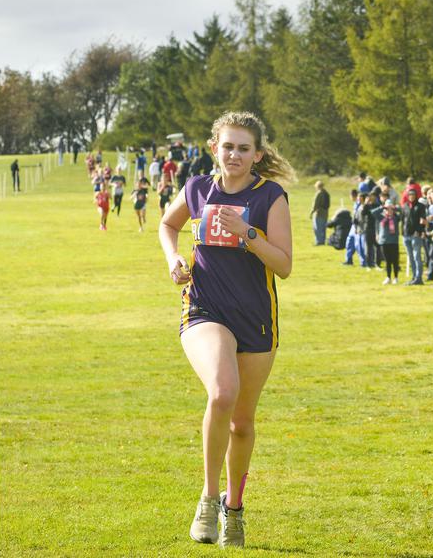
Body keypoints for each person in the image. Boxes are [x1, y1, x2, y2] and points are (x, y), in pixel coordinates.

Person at [158, 111, 293, 549]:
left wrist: (248, 233)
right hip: (204, 309)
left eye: (244, 148)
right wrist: (174, 260)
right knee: (221, 392)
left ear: (257, 154)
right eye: (227, 145)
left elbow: (284, 265)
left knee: (241, 422)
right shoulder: (197, 187)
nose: (234, 154)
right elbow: (167, 224)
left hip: (255, 318)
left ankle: (234, 510)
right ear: (213, 146)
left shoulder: (270, 196)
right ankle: (207, 499)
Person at [372, 201, 402, 284]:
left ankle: (396, 277)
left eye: (390, 209)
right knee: (387, 261)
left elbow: (403, 212)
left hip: (394, 242)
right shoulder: (381, 218)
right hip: (384, 242)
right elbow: (373, 212)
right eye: (387, 209)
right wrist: (382, 207)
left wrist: (395, 207)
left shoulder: (396, 218)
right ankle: (388, 277)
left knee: (395, 260)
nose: (389, 211)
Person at [402, 188, 428, 285]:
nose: (411, 196)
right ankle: (414, 277)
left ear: (416, 195)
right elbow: (403, 219)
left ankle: (418, 278)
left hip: (416, 235)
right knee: (411, 257)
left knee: (417, 256)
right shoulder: (405, 206)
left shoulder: (421, 206)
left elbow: (423, 220)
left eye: (413, 194)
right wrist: (402, 232)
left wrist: (419, 231)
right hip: (406, 235)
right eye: (409, 194)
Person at [311, 181, 330, 246]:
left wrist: (311, 212)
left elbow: (315, 204)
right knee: (323, 228)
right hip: (325, 213)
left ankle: (319, 242)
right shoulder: (327, 193)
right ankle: (323, 241)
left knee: (317, 228)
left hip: (318, 213)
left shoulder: (319, 193)